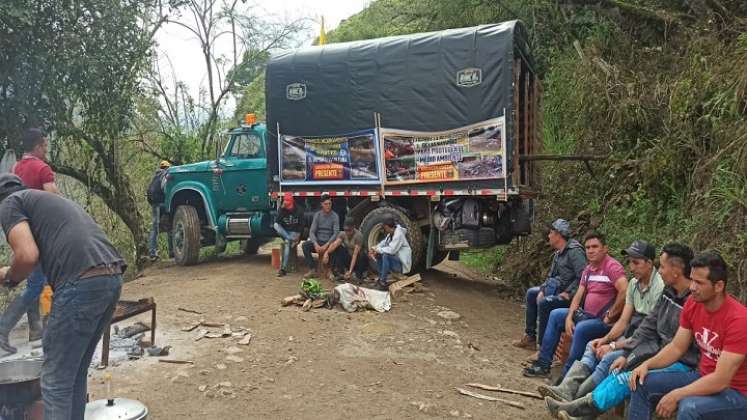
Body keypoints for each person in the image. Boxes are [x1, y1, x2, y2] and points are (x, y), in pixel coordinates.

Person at [0, 173, 125, 420]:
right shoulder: (43, 202)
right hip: (110, 277)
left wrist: (10, 279)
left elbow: (26, 256)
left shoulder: (10, 203)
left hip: (81, 282)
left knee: (55, 381)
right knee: (73, 374)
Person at [544, 243, 697, 419]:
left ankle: (575, 410)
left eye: (662, 266)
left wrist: (639, 359)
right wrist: (626, 353)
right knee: (618, 368)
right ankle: (577, 411)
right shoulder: (669, 291)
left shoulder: (691, 301)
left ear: (677, 270)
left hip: (679, 360)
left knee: (628, 378)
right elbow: (648, 325)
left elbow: (676, 347)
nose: (659, 271)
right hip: (658, 350)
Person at [539, 239, 663, 402]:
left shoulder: (659, 288)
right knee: (593, 345)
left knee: (606, 355)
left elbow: (648, 334)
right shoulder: (634, 283)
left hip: (646, 341)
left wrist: (612, 340)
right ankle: (563, 385)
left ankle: (576, 399)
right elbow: (624, 322)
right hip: (630, 333)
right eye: (630, 262)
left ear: (649, 263)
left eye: (636, 263)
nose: (631, 268)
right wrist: (605, 340)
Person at [627, 252, 747, 420]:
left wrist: (677, 394)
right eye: (692, 280)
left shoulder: (739, 320)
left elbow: (721, 380)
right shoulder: (692, 304)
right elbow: (677, 347)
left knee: (689, 407)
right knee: (641, 382)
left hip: (737, 393)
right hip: (703, 377)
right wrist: (647, 364)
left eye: (699, 283)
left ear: (719, 286)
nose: (692, 287)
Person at [524, 230, 628, 378]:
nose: (590, 250)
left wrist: (611, 314)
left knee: (581, 329)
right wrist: (569, 316)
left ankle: (567, 377)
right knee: (556, 315)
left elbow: (624, 290)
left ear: (605, 249)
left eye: (595, 246)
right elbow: (578, 295)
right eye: (588, 247)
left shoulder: (612, 267)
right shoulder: (588, 269)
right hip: (585, 315)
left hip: (602, 321)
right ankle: (543, 364)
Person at [0, 128, 57, 355]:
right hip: (41, 236)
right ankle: (3, 329)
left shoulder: (16, 169)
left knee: (35, 281)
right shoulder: (43, 169)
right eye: (44, 145)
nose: (46, 149)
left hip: (20, 232)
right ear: (37, 146)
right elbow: (54, 201)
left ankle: (35, 329)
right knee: (37, 285)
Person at [513, 219, 587, 353]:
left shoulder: (575, 252)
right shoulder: (558, 253)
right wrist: (542, 289)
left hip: (572, 296)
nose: (549, 236)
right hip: (557, 290)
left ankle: (542, 348)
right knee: (532, 293)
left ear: (558, 235)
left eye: (551, 232)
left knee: (545, 303)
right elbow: (550, 276)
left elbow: (583, 277)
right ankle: (530, 336)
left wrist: (570, 293)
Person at [369, 216, 412, 290]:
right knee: (379, 254)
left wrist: (378, 249)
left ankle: (383, 282)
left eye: (385, 228)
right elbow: (383, 243)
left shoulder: (399, 235)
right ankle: (381, 277)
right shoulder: (391, 234)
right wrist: (374, 248)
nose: (385, 230)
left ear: (389, 227)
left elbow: (392, 250)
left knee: (386, 255)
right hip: (396, 261)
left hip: (401, 265)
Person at [302, 194, 339, 278]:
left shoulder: (335, 216)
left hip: (329, 242)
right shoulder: (317, 215)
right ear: (322, 204)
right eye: (326, 204)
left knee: (338, 247)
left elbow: (335, 233)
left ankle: (330, 270)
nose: (328, 206)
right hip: (318, 241)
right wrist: (315, 244)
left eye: (329, 204)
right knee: (305, 246)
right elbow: (312, 231)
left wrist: (327, 244)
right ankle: (312, 269)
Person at [323, 217, 366, 283]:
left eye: (349, 230)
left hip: (357, 259)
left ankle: (358, 275)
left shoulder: (358, 236)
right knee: (337, 249)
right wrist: (326, 253)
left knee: (363, 256)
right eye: (346, 230)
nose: (347, 232)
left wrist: (350, 271)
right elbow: (334, 245)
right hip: (348, 257)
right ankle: (338, 271)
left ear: (353, 227)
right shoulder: (343, 234)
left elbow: (355, 255)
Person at [147, 160, 173, 261]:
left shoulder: (155, 176)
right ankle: (172, 251)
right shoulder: (165, 175)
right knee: (170, 225)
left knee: (155, 228)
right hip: (162, 203)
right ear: (167, 168)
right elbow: (165, 188)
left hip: (154, 204)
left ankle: (152, 253)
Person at [274, 192, 304, 277]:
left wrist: (299, 236)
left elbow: (302, 225)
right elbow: (277, 222)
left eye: (289, 205)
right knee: (275, 225)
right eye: (287, 206)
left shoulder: (299, 209)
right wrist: (282, 209)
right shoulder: (282, 209)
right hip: (285, 232)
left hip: (294, 232)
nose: (289, 207)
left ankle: (283, 269)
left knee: (287, 243)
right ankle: (290, 239)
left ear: (292, 202)